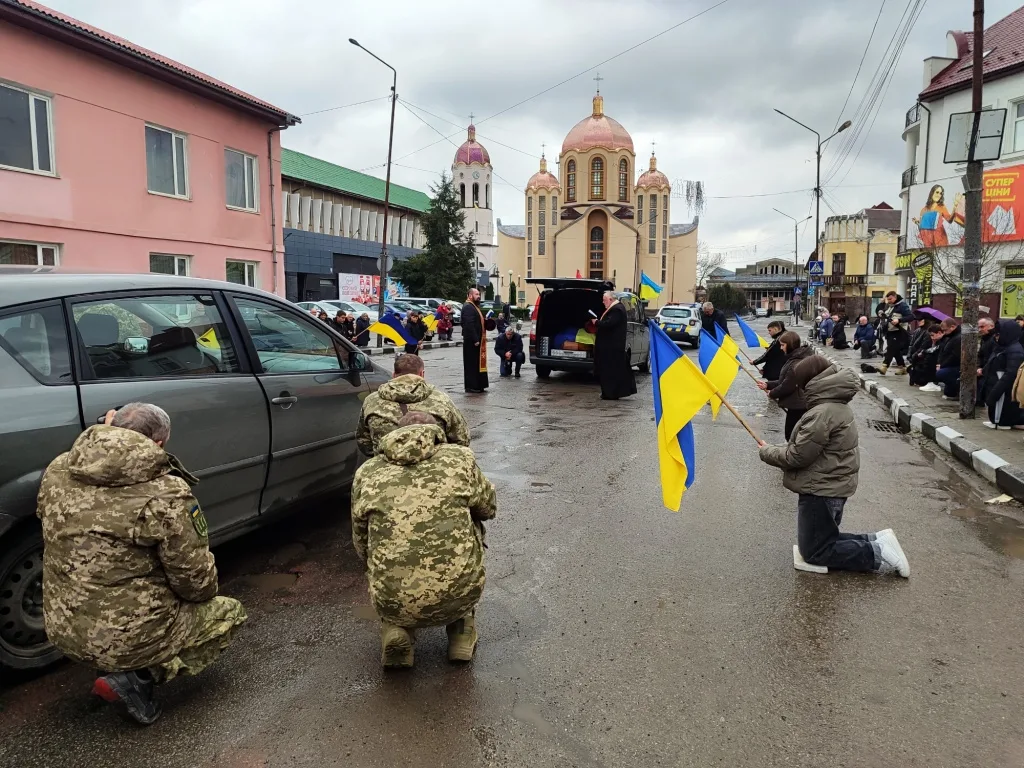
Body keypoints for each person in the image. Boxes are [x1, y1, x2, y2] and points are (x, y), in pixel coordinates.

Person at [35, 403, 247, 724]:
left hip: (61, 626)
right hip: (120, 638)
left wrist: (107, 432)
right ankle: (137, 677)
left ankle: (112, 665)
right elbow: (196, 581)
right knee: (229, 613)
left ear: (111, 426)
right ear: (159, 444)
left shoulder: (59, 470)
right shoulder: (166, 492)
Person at [351, 411, 497, 668]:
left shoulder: (367, 472)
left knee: (383, 554)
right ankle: (460, 631)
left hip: (393, 597)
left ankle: (397, 630)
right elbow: (488, 509)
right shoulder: (460, 460)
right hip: (457, 590)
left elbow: (361, 538)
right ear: (435, 433)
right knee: (470, 523)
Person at [757, 356, 910, 577]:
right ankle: (877, 539)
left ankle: (878, 551)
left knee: (816, 551)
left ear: (810, 382)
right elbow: (806, 445)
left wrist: (766, 452)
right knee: (822, 538)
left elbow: (797, 456)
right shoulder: (833, 403)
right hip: (828, 484)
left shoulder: (822, 413)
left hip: (821, 488)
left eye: (800, 383)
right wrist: (773, 447)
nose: (799, 389)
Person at [357, 353, 471, 456]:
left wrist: (384, 455)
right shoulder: (441, 399)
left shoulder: (371, 401)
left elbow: (364, 441)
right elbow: (462, 439)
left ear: (394, 375)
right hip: (434, 470)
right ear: (422, 374)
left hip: (387, 469)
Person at [757, 330, 813, 440]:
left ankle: (794, 456)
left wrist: (772, 393)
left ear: (791, 345)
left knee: (792, 436)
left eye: (783, 345)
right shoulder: (794, 358)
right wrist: (768, 385)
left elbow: (788, 385)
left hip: (799, 405)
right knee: (794, 435)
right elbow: (785, 380)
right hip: (798, 403)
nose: (781, 348)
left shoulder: (796, 362)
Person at [594, 291, 637, 401]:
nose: (603, 302)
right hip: (610, 347)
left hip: (612, 348)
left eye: (604, 300)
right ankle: (608, 393)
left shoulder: (617, 309)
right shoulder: (616, 308)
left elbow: (609, 324)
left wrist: (597, 322)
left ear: (611, 300)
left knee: (610, 372)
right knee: (609, 371)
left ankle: (610, 393)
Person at [983, 319, 1024, 429]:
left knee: (1002, 407)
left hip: (1004, 391)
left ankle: (1002, 422)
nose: (996, 337)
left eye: (998, 334)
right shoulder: (1002, 346)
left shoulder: (1014, 350)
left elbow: (1010, 374)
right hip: (996, 384)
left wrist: (994, 395)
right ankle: (997, 421)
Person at [913, 184, 963, 248]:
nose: (939, 195)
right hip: (928, 240)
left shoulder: (941, 207)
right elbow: (922, 228)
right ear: (932, 192)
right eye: (937, 192)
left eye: (940, 193)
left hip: (940, 238)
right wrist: (917, 222)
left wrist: (955, 206)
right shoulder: (923, 210)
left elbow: (949, 220)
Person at [877, 291, 913, 375]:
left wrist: (899, 320)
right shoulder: (889, 306)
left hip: (899, 331)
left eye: (890, 299)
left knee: (890, 348)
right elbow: (886, 315)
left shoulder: (902, 305)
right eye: (888, 299)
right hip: (890, 331)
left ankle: (884, 366)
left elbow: (911, 316)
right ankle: (903, 368)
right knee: (895, 350)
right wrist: (881, 313)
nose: (889, 301)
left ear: (895, 297)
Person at [461, 288, 489, 394]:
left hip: (477, 340)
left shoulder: (474, 306)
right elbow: (469, 324)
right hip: (472, 341)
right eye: (476, 294)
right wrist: (475, 339)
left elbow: (476, 322)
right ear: (470, 295)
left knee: (477, 363)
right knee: (471, 364)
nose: (479, 296)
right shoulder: (468, 307)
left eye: (479, 294)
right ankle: (472, 386)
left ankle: (478, 385)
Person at [933, 319, 962, 399]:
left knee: (942, 373)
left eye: (945, 330)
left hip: (954, 366)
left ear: (952, 327)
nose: (944, 332)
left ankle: (956, 390)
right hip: (949, 364)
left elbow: (955, 356)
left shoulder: (958, 338)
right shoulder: (951, 337)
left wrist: (942, 365)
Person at [911, 324, 944, 388]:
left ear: (939, 333)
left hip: (937, 362)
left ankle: (931, 381)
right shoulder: (929, 340)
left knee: (929, 359)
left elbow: (940, 352)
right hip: (927, 361)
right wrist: (918, 354)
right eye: (930, 335)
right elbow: (922, 349)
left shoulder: (943, 341)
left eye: (932, 335)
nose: (932, 337)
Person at [977, 316, 996, 404]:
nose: (979, 329)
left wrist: (982, 370)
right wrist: (978, 367)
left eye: (982, 327)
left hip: (990, 370)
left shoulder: (994, 339)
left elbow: (992, 357)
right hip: (983, 368)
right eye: (978, 327)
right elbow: (980, 356)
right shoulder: (984, 339)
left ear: (991, 326)